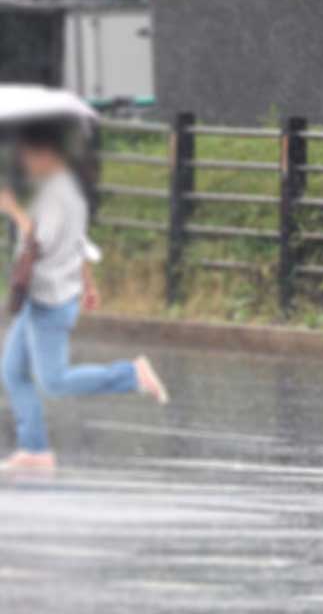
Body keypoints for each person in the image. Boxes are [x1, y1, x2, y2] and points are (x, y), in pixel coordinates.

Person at [0, 123, 169, 473]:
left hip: (50, 301)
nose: (23, 161)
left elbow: (39, 241)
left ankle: (131, 375)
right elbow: (80, 244)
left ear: (46, 153)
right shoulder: (55, 189)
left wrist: (11, 209)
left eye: (27, 154)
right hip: (45, 296)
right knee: (13, 371)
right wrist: (88, 284)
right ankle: (35, 450)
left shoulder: (58, 195)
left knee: (54, 381)